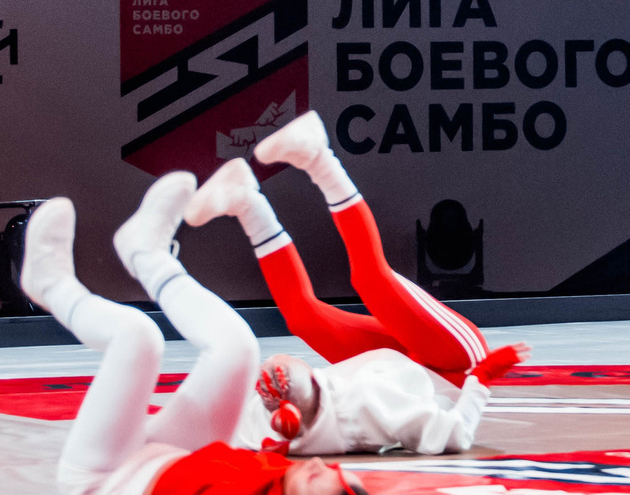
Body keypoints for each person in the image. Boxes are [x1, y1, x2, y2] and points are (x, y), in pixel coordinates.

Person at [0, 176, 380, 495]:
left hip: (106, 478)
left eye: (315, 478)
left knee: (137, 337)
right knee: (238, 349)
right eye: (329, 470)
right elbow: (250, 472)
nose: (320, 466)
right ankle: (148, 254)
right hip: (177, 459)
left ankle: (51, 286)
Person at [183, 110, 526, 457]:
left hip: (390, 364)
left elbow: (230, 436)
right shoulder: (376, 412)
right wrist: (480, 378)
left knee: (302, 316)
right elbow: (455, 437)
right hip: (456, 365)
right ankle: (318, 155)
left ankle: (246, 202)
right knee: (372, 279)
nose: (275, 378)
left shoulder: (282, 424)